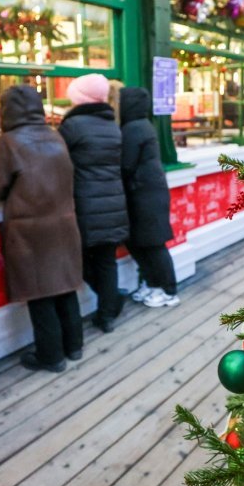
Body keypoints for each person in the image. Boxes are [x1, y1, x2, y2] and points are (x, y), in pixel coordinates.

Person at [0, 85, 85, 372]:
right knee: (65, 288)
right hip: (64, 225)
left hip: (30, 232)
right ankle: (74, 346)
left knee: (41, 294)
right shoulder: (56, 136)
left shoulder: (8, 142)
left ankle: (51, 357)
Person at [58, 74, 129, 333]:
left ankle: (110, 302)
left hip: (85, 204)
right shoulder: (111, 123)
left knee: (80, 259)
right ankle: (107, 313)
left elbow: (58, 161)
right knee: (106, 260)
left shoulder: (73, 126)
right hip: (113, 202)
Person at [118, 87, 179, 307]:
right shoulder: (142, 125)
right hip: (147, 192)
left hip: (145, 195)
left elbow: (126, 164)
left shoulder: (133, 128)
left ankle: (169, 291)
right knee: (141, 242)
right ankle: (153, 285)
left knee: (153, 244)